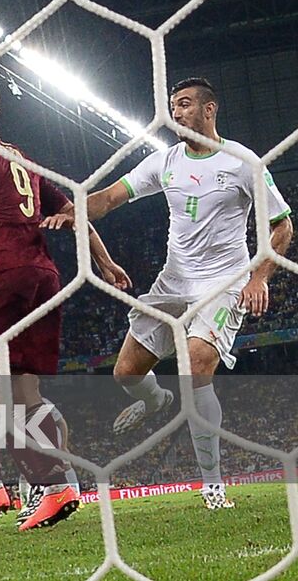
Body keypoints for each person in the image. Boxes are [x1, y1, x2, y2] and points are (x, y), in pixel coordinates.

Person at [49, 77, 292, 510]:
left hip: (224, 283)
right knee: (125, 373)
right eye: (171, 106)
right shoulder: (164, 162)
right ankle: (155, 398)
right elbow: (109, 199)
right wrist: (74, 209)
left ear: (209, 109)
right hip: (173, 283)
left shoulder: (242, 162)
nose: (175, 113)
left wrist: (259, 278)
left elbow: (282, 225)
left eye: (183, 104)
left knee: (196, 362)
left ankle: (213, 485)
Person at [0, 82, 129, 532]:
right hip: (43, 278)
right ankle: (55, 487)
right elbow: (74, 209)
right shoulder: (20, 159)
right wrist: (105, 263)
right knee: (25, 391)